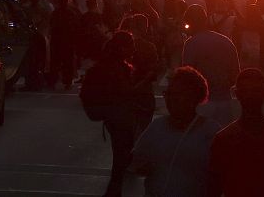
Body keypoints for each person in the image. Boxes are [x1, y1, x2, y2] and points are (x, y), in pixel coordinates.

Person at [131, 67, 222, 197]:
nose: (171, 99)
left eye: (178, 95)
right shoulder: (157, 126)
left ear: (194, 98)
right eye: (168, 94)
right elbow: (136, 160)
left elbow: (219, 177)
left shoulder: (211, 131)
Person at [207, 68, 264, 197]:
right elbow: (214, 187)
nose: (250, 96)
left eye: (255, 90)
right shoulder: (224, 139)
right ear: (238, 94)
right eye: (246, 91)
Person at [82, 31, 141, 197]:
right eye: (131, 46)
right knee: (121, 157)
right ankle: (114, 190)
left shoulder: (108, 65)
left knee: (120, 157)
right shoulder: (116, 69)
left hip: (114, 117)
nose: (134, 49)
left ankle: (114, 190)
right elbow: (122, 93)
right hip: (119, 117)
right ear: (122, 48)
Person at [181, 4, 241, 126]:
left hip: (201, 103)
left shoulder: (191, 44)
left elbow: (186, 76)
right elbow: (235, 75)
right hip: (224, 101)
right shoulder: (226, 41)